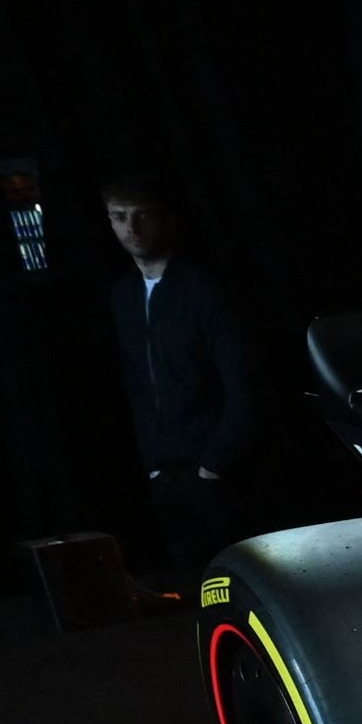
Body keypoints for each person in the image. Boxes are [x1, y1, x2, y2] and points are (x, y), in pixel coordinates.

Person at [104, 171, 260, 581]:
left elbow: (243, 383)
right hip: (164, 472)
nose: (131, 227)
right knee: (190, 585)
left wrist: (215, 463)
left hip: (213, 470)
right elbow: (138, 386)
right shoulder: (123, 296)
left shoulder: (204, 291)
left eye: (141, 215)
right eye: (119, 216)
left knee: (236, 584)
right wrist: (152, 464)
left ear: (167, 220)